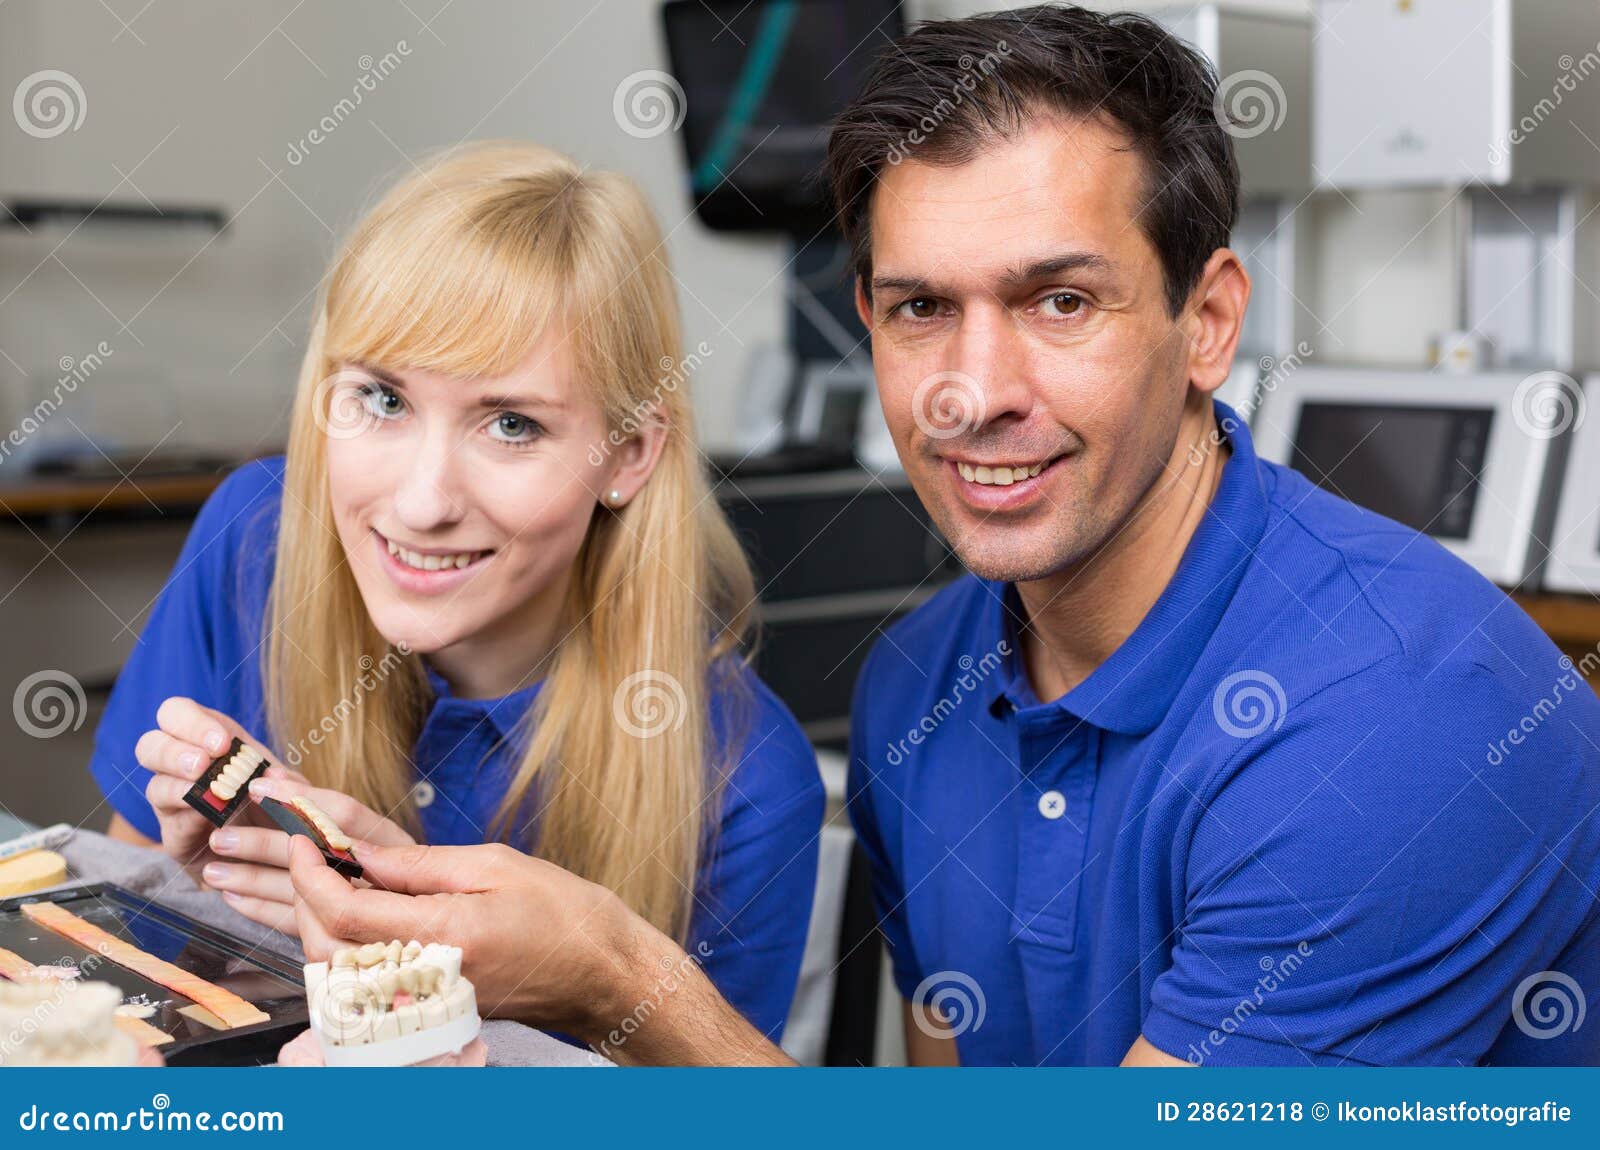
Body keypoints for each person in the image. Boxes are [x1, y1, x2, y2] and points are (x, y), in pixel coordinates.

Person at [284, 6, 1600, 1067]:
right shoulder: (926, 682)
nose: (975, 391)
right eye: (922, 310)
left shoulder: (1399, 716)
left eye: (1060, 301)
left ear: (1208, 321)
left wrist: (623, 972)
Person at [93, 140, 824, 1045]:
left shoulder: (747, 784)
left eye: (511, 423)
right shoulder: (253, 538)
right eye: (383, 398)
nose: (421, 501)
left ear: (629, 455)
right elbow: (114, 950)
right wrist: (199, 890)